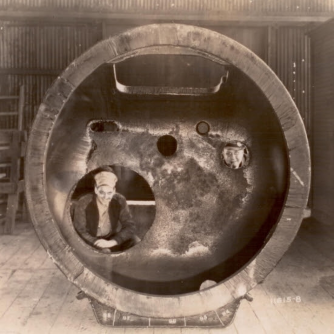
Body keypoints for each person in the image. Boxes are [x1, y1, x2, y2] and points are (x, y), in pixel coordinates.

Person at [73, 166, 140, 252]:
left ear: (114, 190)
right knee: (105, 252)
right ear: (96, 189)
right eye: (101, 192)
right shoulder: (84, 202)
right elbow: (79, 230)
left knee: (135, 242)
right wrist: (96, 242)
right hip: (90, 241)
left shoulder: (119, 200)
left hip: (110, 239)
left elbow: (130, 226)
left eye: (109, 193)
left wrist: (113, 241)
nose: (105, 197)